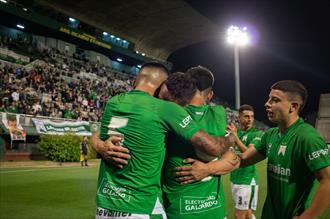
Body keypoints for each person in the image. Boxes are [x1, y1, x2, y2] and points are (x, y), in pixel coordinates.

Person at [91, 63, 235, 219]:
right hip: (144, 206)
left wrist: (98, 144)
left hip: (106, 204)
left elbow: (98, 133)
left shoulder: (114, 102)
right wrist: (232, 137)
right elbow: (220, 151)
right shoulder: (171, 110)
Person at [240, 80, 330, 219]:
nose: (267, 104)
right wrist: (210, 166)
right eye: (269, 98)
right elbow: (244, 159)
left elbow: (327, 181)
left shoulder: (308, 137)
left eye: (274, 100)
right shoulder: (270, 134)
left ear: (293, 107)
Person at [161, 66, 239, 219]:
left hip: (180, 210)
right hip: (215, 210)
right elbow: (234, 160)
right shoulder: (219, 113)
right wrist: (209, 168)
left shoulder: (170, 112)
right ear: (210, 95)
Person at [227, 105, 263, 219]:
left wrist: (235, 138)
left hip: (247, 180)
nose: (250, 119)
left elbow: (250, 153)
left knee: (239, 215)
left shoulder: (256, 134)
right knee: (247, 214)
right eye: (246, 116)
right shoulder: (236, 132)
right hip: (235, 178)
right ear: (239, 117)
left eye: (252, 117)